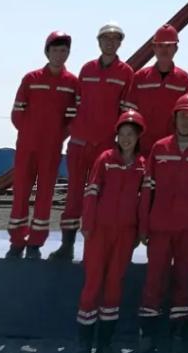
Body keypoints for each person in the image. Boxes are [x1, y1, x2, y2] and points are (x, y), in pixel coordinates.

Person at [137, 92, 188, 353]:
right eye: (183, 116)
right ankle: (147, 336)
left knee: (183, 280)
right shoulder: (159, 148)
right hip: (160, 226)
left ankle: (177, 336)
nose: (187, 120)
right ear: (175, 118)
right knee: (154, 280)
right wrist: (144, 226)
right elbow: (147, 190)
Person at [57, 21, 133, 261]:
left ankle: (95, 249)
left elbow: (124, 112)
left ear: (120, 43)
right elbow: (76, 104)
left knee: (100, 197)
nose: (110, 43)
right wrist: (73, 130)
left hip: (105, 145)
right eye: (105, 39)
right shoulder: (87, 69)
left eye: (115, 39)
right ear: (99, 42)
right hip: (80, 143)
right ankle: (67, 246)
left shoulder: (126, 73)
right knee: (73, 196)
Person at [74, 108, 146, 353]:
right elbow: (92, 192)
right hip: (99, 231)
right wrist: (88, 223)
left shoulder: (142, 166)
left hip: (125, 233)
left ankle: (105, 342)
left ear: (138, 137)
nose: (126, 139)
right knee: (92, 284)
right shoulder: (105, 159)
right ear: (116, 136)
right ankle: (84, 342)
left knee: (114, 285)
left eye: (131, 134)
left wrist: (139, 231)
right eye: (122, 134)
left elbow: (143, 202)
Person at [7, 30, 79, 259]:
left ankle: (35, 242)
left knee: (45, 194)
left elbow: (72, 118)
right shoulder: (31, 79)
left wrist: (58, 136)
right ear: (47, 52)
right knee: (21, 192)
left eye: (64, 50)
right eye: (55, 50)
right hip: (27, 146)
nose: (59, 54)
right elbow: (17, 112)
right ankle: (17, 241)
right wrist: (29, 133)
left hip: (51, 148)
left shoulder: (72, 83)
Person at [128, 25, 188, 157]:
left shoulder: (184, 80)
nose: (164, 50)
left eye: (168, 46)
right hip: (141, 149)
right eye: (160, 46)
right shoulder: (139, 78)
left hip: (171, 150)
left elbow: (187, 119)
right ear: (154, 48)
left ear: (176, 49)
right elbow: (129, 116)